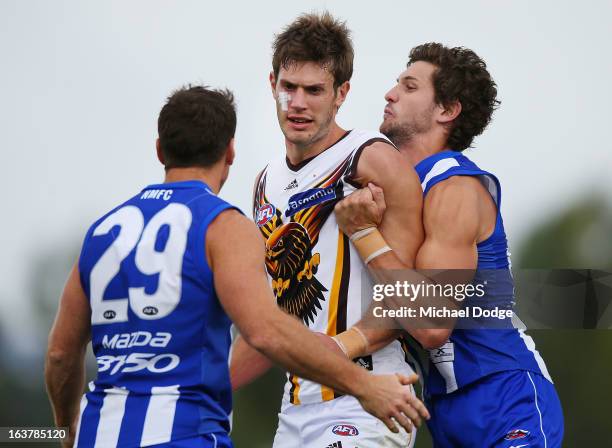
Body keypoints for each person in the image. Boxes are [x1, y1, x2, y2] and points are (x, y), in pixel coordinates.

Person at [44, 85, 429, 448]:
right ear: (230, 152)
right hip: (184, 432)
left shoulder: (103, 232)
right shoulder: (223, 225)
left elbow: (61, 354)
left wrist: (66, 428)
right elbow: (265, 332)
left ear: (160, 150)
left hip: (98, 431)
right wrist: (365, 385)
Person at [332, 43, 564, 447]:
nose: (390, 94)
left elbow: (432, 324)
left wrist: (365, 234)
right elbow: (392, 299)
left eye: (408, 86)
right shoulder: (400, 189)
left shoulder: (453, 186)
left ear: (446, 110)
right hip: (445, 408)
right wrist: (328, 349)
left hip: (504, 397)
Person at [229, 12, 426, 448]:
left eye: (314, 90)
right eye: (289, 88)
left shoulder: (372, 160)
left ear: (341, 94)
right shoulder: (264, 183)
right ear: (272, 84)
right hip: (296, 404)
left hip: (369, 398)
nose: (298, 102)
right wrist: (202, 390)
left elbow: (411, 299)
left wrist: (335, 353)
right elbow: (270, 321)